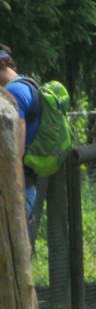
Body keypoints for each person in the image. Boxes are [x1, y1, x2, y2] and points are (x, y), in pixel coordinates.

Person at [0, 44, 40, 220]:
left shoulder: (14, 93)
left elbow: (18, 149)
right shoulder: (28, 85)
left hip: (16, 189)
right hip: (24, 185)